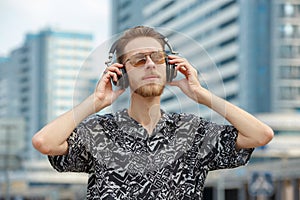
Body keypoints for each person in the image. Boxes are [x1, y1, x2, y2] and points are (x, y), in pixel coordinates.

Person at [32, 26, 274, 199]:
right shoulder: (99, 132)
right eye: (138, 60)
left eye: (157, 57)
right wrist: (94, 102)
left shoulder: (193, 132)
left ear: (168, 68)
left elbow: (260, 135)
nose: (150, 64)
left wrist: (202, 95)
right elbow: (44, 142)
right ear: (121, 73)